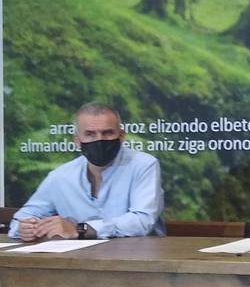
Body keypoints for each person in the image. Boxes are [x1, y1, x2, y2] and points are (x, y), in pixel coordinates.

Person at [9, 103, 164, 241]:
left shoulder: (143, 165)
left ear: (121, 136)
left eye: (108, 133)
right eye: (90, 134)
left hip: (135, 257)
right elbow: (22, 219)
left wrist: (81, 229)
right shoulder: (61, 176)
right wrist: (27, 228)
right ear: (77, 141)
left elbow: (142, 221)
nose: (99, 140)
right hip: (77, 259)